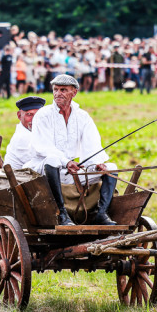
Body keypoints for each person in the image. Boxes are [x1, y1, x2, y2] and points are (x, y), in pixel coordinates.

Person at [32, 74, 117, 226]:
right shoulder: (43, 115)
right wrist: (66, 162)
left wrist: (97, 164)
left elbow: (92, 144)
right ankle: (62, 214)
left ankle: (101, 213)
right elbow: (43, 147)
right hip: (44, 171)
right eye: (55, 89)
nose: (58, 93)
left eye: (63, 90)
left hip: (71, 172)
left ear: (74, 92)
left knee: (111, 168)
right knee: (53, 159)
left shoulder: (82, 116)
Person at [4, 95, 46, 174]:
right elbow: (44, 165)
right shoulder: (23, 137)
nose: (35, 119)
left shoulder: (34, 132)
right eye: (29, 114)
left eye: (38, 114)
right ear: (19, 115)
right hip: (20, 183)